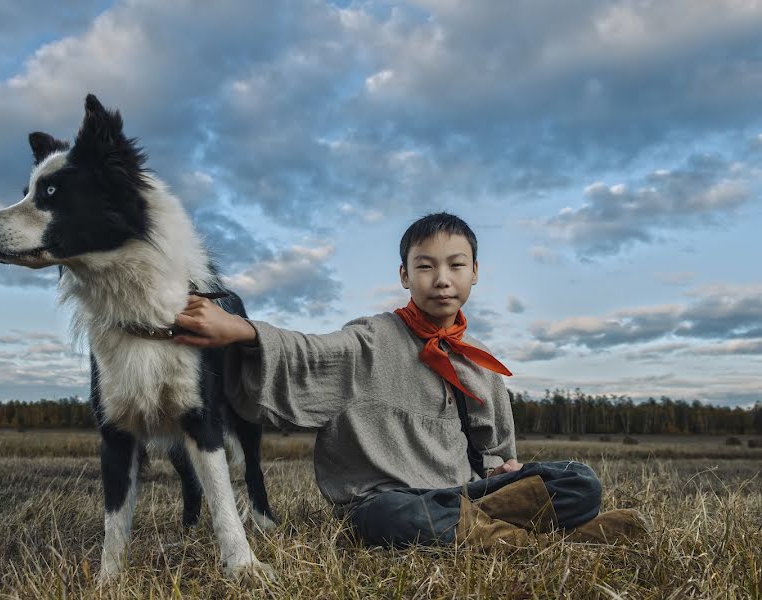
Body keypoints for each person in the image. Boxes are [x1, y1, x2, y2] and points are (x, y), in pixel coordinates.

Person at [173, 212, 647, 548]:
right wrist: (242, 330)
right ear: (405, 275)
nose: (442, 279)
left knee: (578, 480)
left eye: (456, 265)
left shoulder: (481, 368)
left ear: (475, 273)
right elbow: (312, 355)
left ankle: (495, 534)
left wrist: (506, 468)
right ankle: (541, 539)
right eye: (426, 266)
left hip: (463, 495)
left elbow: (497, 452)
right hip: (392, 501)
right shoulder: (373, 339)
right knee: (386, 517)